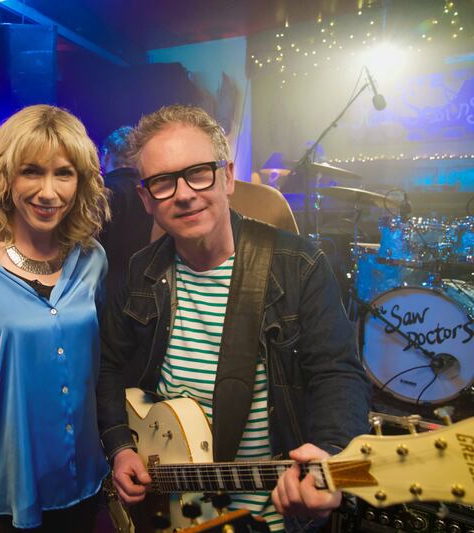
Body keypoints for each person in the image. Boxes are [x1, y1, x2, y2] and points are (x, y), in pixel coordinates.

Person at [96, 105, 370, 532]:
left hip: (271, 515)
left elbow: (337, 373)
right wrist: (120, 447)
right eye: (163, 182)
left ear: (226, 177)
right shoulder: (140, 271)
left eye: (198, 173)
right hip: (172, 510)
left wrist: (329, 456)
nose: (184, 194)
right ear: (146, 198)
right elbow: (109, 366)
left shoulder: (298, 265)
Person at [0, 104, 110, 532]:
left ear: (81, 181)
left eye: (63, 173)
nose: (48, 192)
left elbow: (102, 366)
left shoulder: (92, 259)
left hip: (85, 482)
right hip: (4, 493)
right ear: (5, 176)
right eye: (31, 171)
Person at [97, 126, 158, 296]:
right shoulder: (153, 192)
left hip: (102, 285)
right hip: (143, 284)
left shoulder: (100, 193)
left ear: (106, 155)